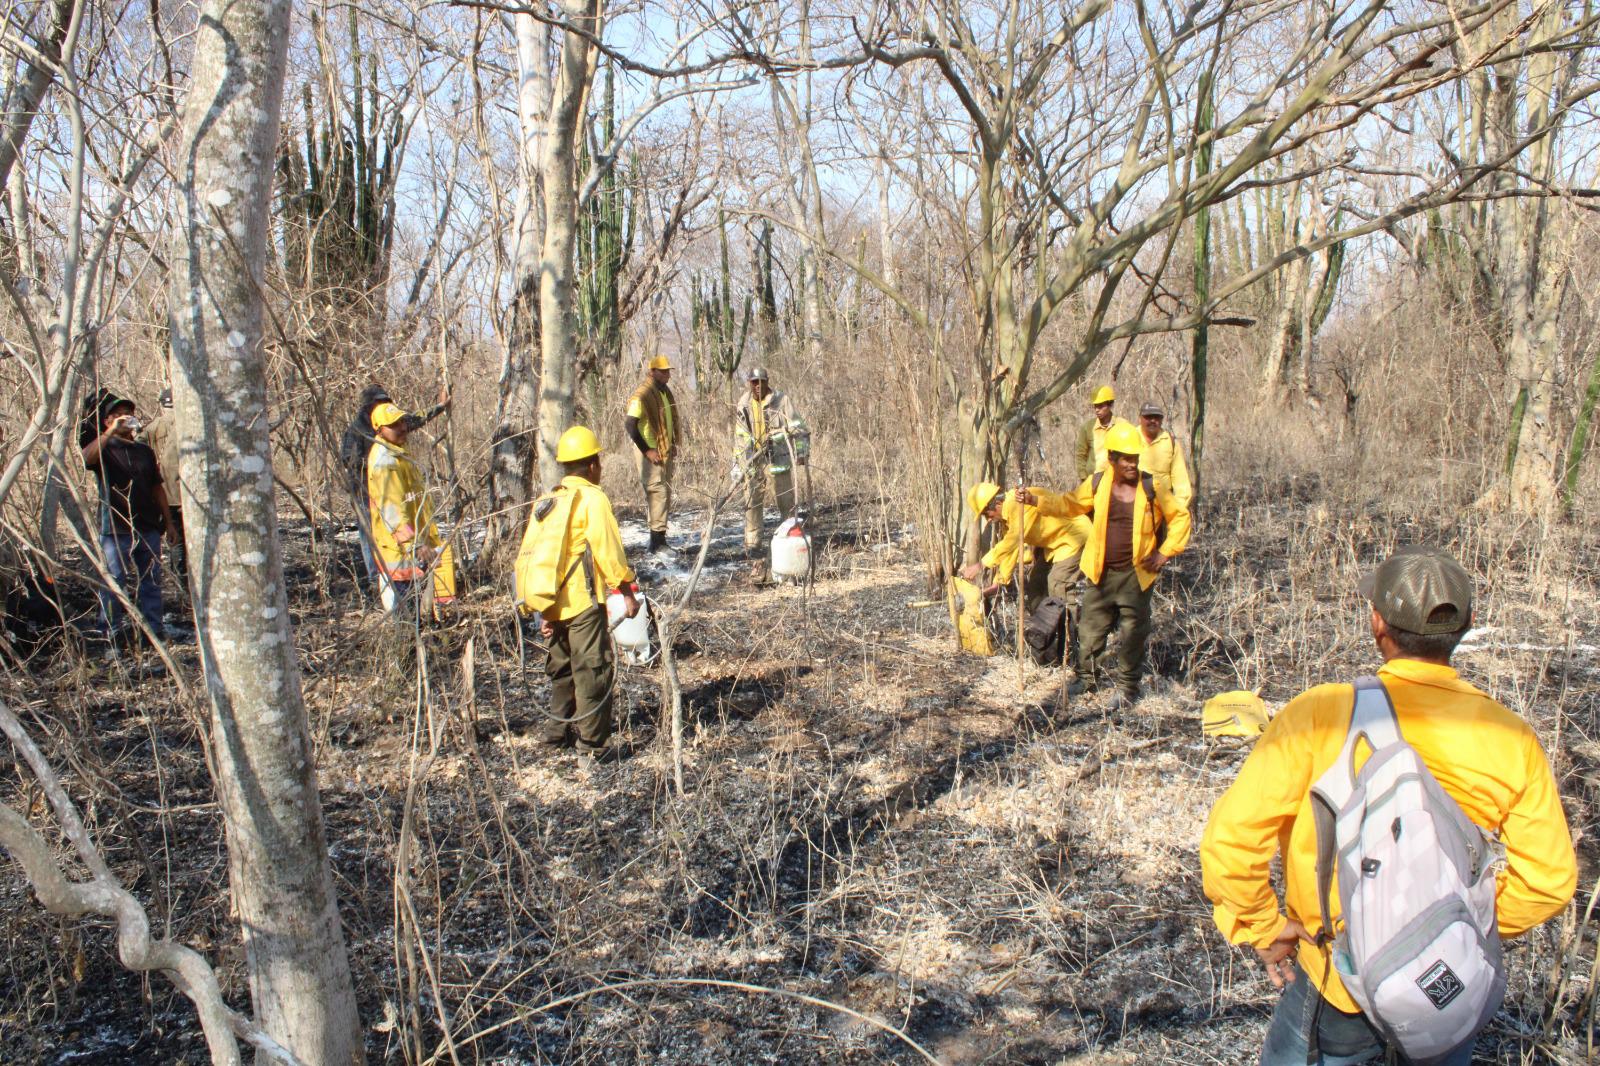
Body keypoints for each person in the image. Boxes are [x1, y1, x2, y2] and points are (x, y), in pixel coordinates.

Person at [1200, 547, 1576, 1066]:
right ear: (1467, 624)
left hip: (1339, 983)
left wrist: (1263, 927)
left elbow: (1231, 842)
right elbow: (1550, 881)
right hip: (1446, 986)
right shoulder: (1510, 737)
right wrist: (1452, 927)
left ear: (1376, 623)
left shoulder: (1322, 714)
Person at [1024, 422, 1190, 705]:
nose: (1131, 464)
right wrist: (1034, 500)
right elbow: (1069, 504)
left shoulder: (1153, 486)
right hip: (1100, 572)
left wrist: (1164, 553)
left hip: (1136, 575)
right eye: (1126, 458)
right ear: (1112, 457)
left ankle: (1127, 688)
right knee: (1090, 629)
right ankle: (1086, 679)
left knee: (1132, 632)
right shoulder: (1098, 483)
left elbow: (1180, 517)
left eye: (1135, 458)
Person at [514, 426, 639, 755]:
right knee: (591, 671)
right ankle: (593, 746)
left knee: (562, 669)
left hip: (552, 601)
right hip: (582, 602)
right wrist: (626, 590)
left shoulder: (548, 500)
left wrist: (542, 608)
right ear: (594, 465)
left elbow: (534, 556)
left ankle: (558, 734)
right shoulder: (592, 499)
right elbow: (608, 551)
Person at [78, 391, 178, 641]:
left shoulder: (144, 451)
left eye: (128, 413)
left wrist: (168, 522)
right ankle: (109, 631)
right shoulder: (104, 448)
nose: (125, 418)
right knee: (115, 582)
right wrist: (110, 432)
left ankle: (154, 631)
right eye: (117, 415)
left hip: (147, 526)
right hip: (115, 528)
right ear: (106, 421)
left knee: (151, 582)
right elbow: (86, 458)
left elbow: (158, 487)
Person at [340, 382, 449, 590]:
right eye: (379, 402)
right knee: (372, 534)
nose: (383, 405)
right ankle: (376, 579)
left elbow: (414, 419)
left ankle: (409, 576)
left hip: (398, 490)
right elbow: (348, 459)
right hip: (366, 491)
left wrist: (439, 407)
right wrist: (373, 466)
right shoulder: (356, 430)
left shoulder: (395, 422)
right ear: (368, 406)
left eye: (386, 401)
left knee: (402, 531)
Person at [365, 402, 455, 618]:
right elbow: (393, 511)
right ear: (379, 430)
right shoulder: (386, 463)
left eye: (402, 421)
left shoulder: (398, 454)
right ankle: (406, 649)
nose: (402, 427)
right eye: (394, 425)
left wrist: (440, 405)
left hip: (414, 546)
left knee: (418, 612)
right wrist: (415, 544)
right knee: (405, 618)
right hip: (400, 553)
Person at [961, 481, 1089, 613]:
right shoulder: (1007, 517)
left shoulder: (1018, 504)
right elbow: (1011, 551)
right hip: (1055, 546)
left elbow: (1013, 540)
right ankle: (1042, 628)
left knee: (1058, 583)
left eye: (987, 514)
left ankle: (1068, 630)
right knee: (1036, 585)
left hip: (1075, 538)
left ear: (997, 505)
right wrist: (998, 583)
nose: (988, 519)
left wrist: (981, 565)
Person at [736, 367, 809, 580]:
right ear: (749, 383)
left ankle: (789, 538)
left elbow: (799, 428)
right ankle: (753, 545)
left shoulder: (781, 401)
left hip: (779, 459)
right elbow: (738, 436)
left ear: (768, 382)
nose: (758, 386)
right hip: (753, 461)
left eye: (761, 381)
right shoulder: (743, 404)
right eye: (754, 382)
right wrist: (739, 464)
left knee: (786, 501)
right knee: (752, 501)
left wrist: (801, 452)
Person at [624, 355, 681, 552]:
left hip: (663, 451)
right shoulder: (643, 394)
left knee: (664, 493)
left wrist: (672, 443)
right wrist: (647, 450)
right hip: (649, 452)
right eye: (662, 371)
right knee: (658, 493)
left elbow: (667, 422)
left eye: (668, 371)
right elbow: (630, 424)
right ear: (652, 372)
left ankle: (660, 539)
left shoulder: (664, 393)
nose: (667, 375)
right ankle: (656, 543)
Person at [139, 388, 188, 600]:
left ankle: (182, 590)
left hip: (166, 497)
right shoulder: (190, 423)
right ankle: (187, 590)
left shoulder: (152, 427)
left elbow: (138, 451)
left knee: (176, 543)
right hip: (187, 497)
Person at [1136, 402, 1192, 510]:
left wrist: (1177, 510)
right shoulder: (1130, 437)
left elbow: (1181, 481)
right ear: (1140, 419)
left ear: (1161, 420)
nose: (1153, 421)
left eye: (1157, 417)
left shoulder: (1170, 442)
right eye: (1148, 417)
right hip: (1136, 507)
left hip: (1163, 508)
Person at [1073, 385, 1134, 481]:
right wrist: (1084, 478)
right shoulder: (1087, 428)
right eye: (1095, 406)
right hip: (1093, 480)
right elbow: (1080, 455)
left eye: (1101, 406)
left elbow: (1132, 452)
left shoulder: (1122, 425)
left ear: (1109, 405)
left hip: (1116, 481)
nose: (1097, 410)